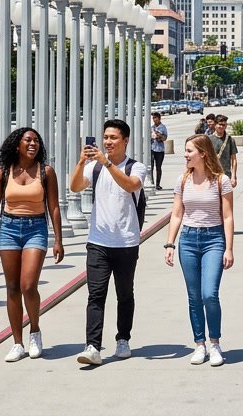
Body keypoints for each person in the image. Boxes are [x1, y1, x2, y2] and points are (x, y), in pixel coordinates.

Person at [0, 127, 64, 362]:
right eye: (28, 140)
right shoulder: (3, 173)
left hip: (36, 228)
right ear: (17, 145)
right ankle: (17, 342)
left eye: (36, 140)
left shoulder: (46, 172)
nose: (33, 144)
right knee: (12, 287)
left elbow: (53, 207)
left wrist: (58, 240)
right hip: (9, 229)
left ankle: (34, 330)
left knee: (28, 286)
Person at [70, 119, 148, 366]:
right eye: (105, 137)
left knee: (125, 294)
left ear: (125, 140)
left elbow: (130, 186)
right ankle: (92, 346)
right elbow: (74, 187)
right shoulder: (94, 167)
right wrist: (83, 161)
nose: (107, 142)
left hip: (126, 242)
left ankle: (123, 339)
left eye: (113, 138)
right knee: (96, 294)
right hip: (98, 242)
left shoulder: (136, 167)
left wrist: (106, 163)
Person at [164, 134, 235, 366]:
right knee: (194, 297)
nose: (185, 155)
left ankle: (215, 344)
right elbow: (176, 214)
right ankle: (200, 344)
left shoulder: (221, 180)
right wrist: (170, 244)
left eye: (189, 151)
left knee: (209, 294)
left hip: (214, 239)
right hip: (188, 240)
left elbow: (227, 216)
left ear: (203, 154)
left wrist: (229, 248)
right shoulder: (182, 180)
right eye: (185, 151)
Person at [208, 115, 239, 187]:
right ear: (215, 125)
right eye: (219, 124)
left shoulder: (230, 140)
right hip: (212, 174)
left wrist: (233, 176)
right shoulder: (209, 139)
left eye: (223, 125)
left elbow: (234, 159)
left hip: (226, 175)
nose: (221, 127)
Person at [150, 112, 169, 190]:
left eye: (155, 118)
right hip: (152, 149)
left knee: (158, 167)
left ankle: (158, 184)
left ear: (159, 118)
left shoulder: (163, 127)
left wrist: (159, 136)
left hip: (160, 150)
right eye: (153, 118)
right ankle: (151, 182)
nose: (154, 120)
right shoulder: (151, 127)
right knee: (150, 167)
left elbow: (165, 138)